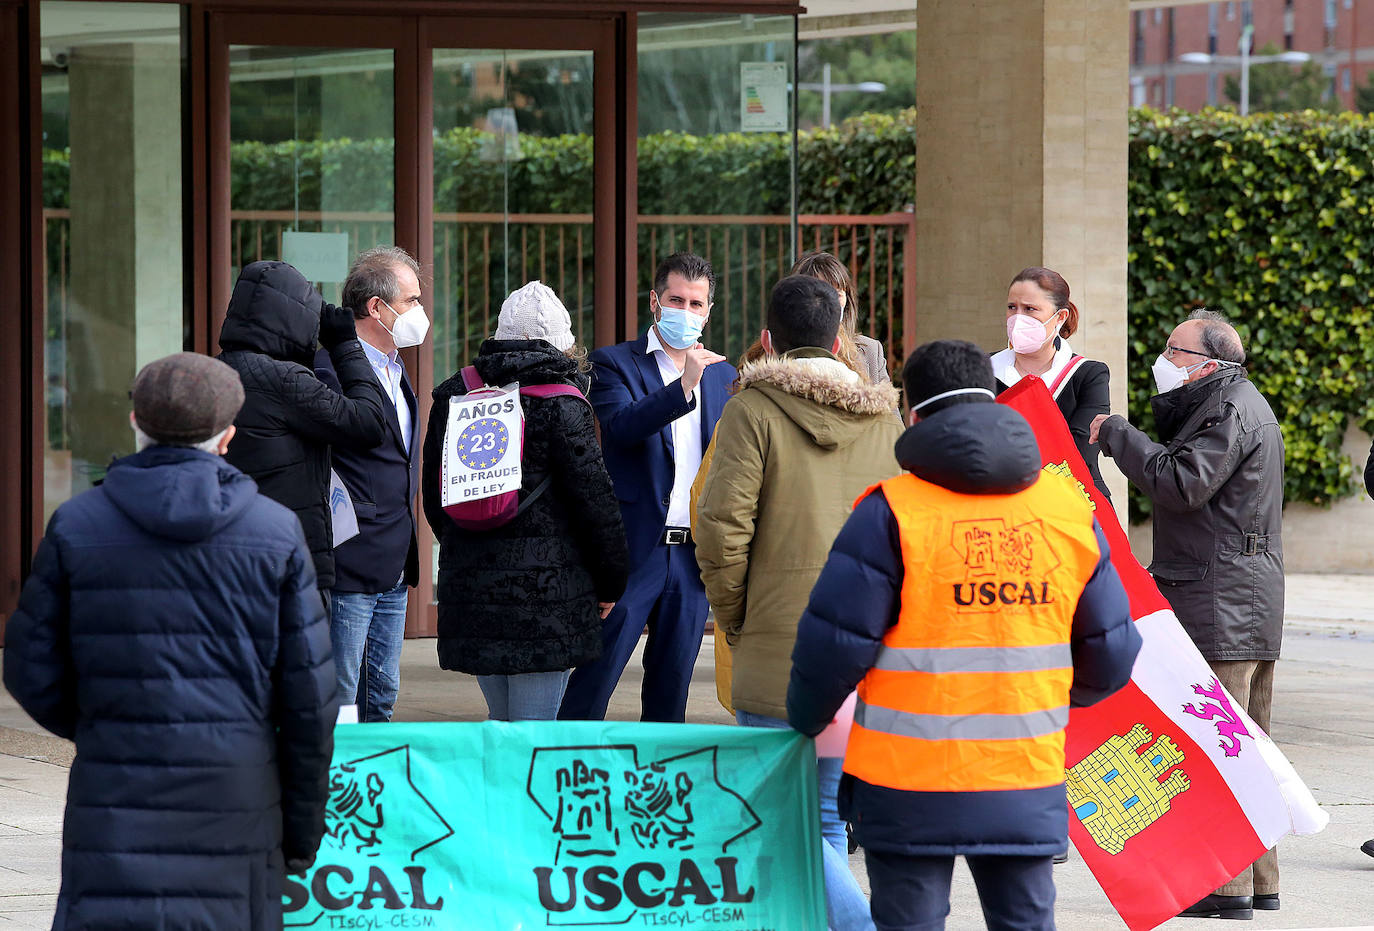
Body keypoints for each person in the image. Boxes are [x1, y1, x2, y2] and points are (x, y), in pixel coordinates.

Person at [788, 339, 1140, 931]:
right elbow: (1113, 652)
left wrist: (804, 720)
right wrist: (1043, 696)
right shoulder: (1066, 510)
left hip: (904, 782)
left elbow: (832, 650)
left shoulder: (890, 512)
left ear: (912, 414)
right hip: (1023, 773)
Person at [2, 352, 338, 929]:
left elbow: (29, 666)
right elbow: (310, 702)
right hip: (238, 799)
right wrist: (302, 834)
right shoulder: (275, 531)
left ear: (135, 421)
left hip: (114, 796)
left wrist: (103, 722)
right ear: (228, 436)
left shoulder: (78, 524)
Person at [696, 274, 902, 931]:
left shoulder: (750, 410)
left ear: (767, 340)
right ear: (839, 340)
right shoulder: (884, 417)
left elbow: (722, 528)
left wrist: (735, 617)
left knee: (780, 821)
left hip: (778, 645)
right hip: (866, 646)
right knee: (824, 819)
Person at [1090, 309, 1284, 920]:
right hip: (1233, 598)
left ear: (1206, 363)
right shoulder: (1229, 403)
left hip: (1223, 601)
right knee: (1246, 747)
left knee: (1222, 749)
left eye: (1174, 351)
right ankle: (1258, 883)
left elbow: (1182, 483)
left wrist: (1117, 434)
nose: (1164, 360)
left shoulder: (1230, 408)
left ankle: (1227, 889)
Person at [423, 281, 628, 721]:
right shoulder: (564, 404)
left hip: (474, 589)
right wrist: (611, 582)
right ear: (562, 344)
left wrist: (471, 539)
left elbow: (435, 497)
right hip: (547, 599)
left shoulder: (455, 394)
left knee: (501, 727)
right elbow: (596, 505)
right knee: (534, 734)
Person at [559, 252, 737, 723]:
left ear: (708, 312)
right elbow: (621, 428)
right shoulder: (614, 363)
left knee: (671, 692)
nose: (686, 312)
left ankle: (658, 769)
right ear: (655, 302)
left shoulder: (724, 376)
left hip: (692, 556)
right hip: (635, 550)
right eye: (676, 300)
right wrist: (684, 386)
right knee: (594, 680)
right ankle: (567, 760)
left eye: (696, 304)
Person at [218, 259, 390, 598]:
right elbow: (369, 423)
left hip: (230, 553)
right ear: (294, 317)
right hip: (290, 560)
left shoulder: (215, 371)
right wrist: (345, 346)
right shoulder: (284, 381)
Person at [314, 246, 424, 723]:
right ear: (376, 307)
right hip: (351, 561)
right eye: (411, 301)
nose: (420, 312)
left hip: (395, 560)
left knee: (381, 697)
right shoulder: (329, 370)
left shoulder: (396, 368)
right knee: (341, 699)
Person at [993, 266, 1112, 500]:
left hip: (1071, 500)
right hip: (999, 501)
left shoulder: (1087, 374)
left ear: (1060, 317)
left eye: (1030, 309)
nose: (1018, 318)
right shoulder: (984, 369)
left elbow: (1081, 449)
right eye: (1012, 307)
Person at [791, 250, 891, 386]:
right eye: (818, 295)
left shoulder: (870, 351)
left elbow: (887, 400)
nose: (829, 303)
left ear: (847, 299)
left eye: (836, 295)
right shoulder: (776, 348)